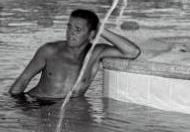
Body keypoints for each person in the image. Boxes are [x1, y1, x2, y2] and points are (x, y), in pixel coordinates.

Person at [8, 9, 140, 99]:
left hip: (69, 106)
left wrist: (101, 29)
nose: (71, 32)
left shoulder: (95, 53)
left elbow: (132, 52)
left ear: (92, 34)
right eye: (69, 27)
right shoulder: (49, 51)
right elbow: (23, 79)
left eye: (78, 29)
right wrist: (14, 106)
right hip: (36, 103)